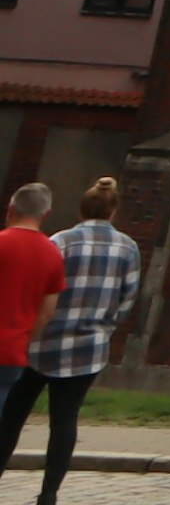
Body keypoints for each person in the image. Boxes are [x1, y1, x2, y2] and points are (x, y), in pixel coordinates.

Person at [0, 181, 79, 497]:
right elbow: (47, 312)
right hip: (13, 352)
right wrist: (26, 339)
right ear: (46, 215)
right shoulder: (52, 253)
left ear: (10, 209)